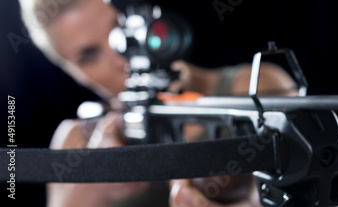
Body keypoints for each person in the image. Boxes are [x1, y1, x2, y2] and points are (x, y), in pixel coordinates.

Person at [19, 0, 298, 206]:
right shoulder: (74, 144)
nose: (120, 58)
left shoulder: (253, 88)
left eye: (120, 30)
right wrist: (94, 183)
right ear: (70, 71)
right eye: (89, 54)